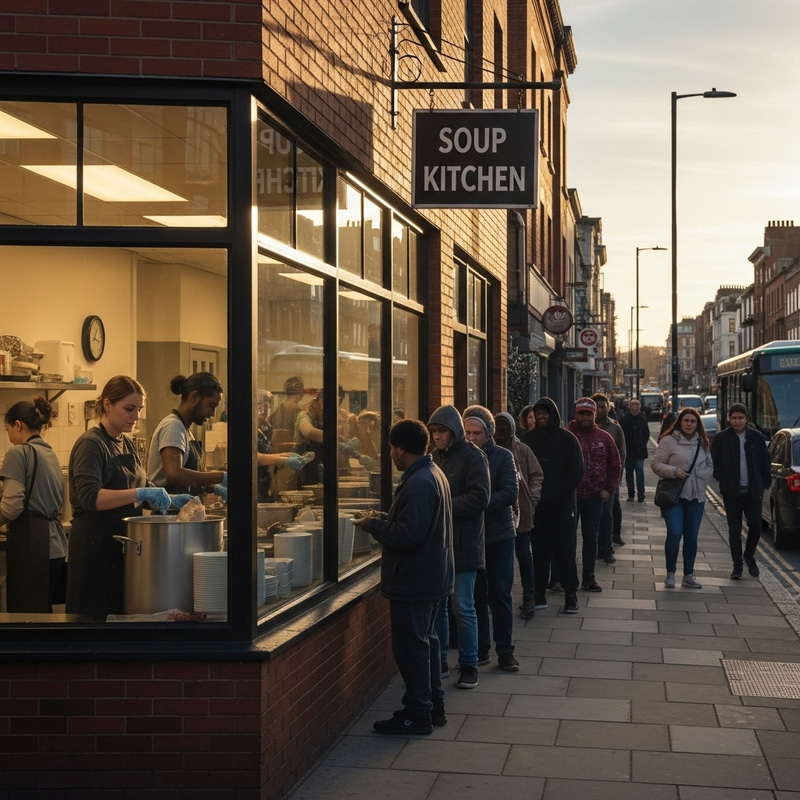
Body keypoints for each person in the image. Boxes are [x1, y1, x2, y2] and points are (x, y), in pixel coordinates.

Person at [353, 419, 454, 735]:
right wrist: (385, 518)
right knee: (426, 644)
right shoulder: (431, 472)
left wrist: (374, 526)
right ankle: (432, 707)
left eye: (391, 449)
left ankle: (418, 713)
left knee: (412, 649)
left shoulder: (420, 481)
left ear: (399, 449)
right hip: (429, 576)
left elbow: (409, 534)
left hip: (415, 579)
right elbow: (416, 523)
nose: (391, 456)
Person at [67, 376, 193, 617]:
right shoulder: (91, 444)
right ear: (107, 404)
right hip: (95, 549)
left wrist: (169, 499)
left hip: (123, 545)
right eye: (129, 409)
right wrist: (140, 493)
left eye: (139, 409)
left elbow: (144, 484)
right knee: (96, 619)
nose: (136, 416)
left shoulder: (127, 443)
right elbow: (90, 497)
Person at [427, 405, 490, 690]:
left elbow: (480, 498)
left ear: (453, 431)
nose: (437, 436)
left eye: (442, 431)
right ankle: (440, 660)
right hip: (439, 544)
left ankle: (468, 664)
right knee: (440, 607)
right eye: (433, 431)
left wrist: (444, 505)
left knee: (463, 607)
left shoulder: (474, 456)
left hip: (464, 544)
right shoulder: (434, 457)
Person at [463, 406, 520, 671]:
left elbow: (509, 492)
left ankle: (505, 651)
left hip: (499, 536)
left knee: (500, 594)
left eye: (477, 433)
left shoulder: (503, 456)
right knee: (476, 597)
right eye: (467, 432)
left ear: (489, 433)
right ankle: (481, 649)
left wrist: (478, 503)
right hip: (472, 537)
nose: (471, 438)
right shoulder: (462, 457)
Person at [0, 397, 67, 612]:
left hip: (33, 546)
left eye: (8, 430)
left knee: (27, 617)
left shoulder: (18, 452)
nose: (9, 436)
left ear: (18, 424)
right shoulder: (49, 453)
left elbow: (11, 507)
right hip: (55, 546)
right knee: (43, 616)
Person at [520, 397, 583, 613]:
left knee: (565, 552)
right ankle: (538, 593)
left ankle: (571, 594)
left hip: (562, 506)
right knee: (539, 552)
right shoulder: (527, 440)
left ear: (552, 414)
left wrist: (559, 495)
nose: (540, 417)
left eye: (544, 413)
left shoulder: (567, 439)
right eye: (537, 413)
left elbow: (575, 472)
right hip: (536, 507)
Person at [651, 407, 714, 589]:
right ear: (679, 422)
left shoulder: (703, 442)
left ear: (697, 424)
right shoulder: (668, 441)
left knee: (691, 537)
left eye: (693, 421)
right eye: (686, 420)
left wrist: (703, 473)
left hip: (696, 495)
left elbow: (710, 464)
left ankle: (688, 575)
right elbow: (656, 464)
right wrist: (673, 471)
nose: (689, 424)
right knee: (675, 532)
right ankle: (670, 573)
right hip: (674, 496)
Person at [566, 397, 622, 593]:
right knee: (567, 539)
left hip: (595, 496)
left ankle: (588, 577)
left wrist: (609, 489)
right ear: (576, 414)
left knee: (591, 538)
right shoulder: (567, 436)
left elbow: (615, 464)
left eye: (588, 414)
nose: (584, 418)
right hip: (570, 497)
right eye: (581, 414)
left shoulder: (604, 438)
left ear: (594, 415)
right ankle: (565, 578)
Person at [710, 402, 771, 579]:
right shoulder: (722, 438)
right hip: (732, 493)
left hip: (753, 491)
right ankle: (737, 566)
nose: (737, 421)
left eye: (740, 418)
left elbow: (765, 461)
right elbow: (714, 462)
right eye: (734, 418)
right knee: (734, 530)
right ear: (729, 419)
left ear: (747, 419)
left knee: (756, 526)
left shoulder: (757, 437)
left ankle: (749, 556)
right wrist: (723, 479)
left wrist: (764, 483)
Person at [494, 411, 543, 619]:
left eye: (504, 426)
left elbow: (536, 474)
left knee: (524, 555)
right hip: (496, 514)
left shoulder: (522, 449)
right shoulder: (487, 450)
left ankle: (529, 598)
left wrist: (532, 498)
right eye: (497, 426)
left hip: (521, 511)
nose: (501, 430)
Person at [146, 373, 227, 499]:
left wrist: (212, 487)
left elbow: (188, 481)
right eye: (211, 405)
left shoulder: (185, 430)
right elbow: (174, 474)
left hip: (183, 509)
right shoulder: (173, 426)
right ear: (194, 397)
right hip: (168, 509)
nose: (213, 414)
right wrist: (222, 476)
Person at [592, 392, 627, 561]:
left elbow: (621, 453)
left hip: (609, 478)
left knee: (607, 513)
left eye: (603, 407)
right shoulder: (584, 426)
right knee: (593, 515)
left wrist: (617, 476)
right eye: (597, 407)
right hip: (589, 479)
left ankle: (606, 549)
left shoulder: (615, 428)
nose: (600, 410)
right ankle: (594, 547)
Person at [256, 390, 305, 502]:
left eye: (267, 403)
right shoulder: (247, 428)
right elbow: (255, 457)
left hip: (265, 485)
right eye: (259, 404)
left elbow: (268, 455)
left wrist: (287, 455)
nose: (264, 407)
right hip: (254, 484)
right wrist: (284, 460)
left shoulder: (265, 429)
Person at [619, 398, 650, 502]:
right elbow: (621, 435)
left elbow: (646, 433)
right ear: (629, 406)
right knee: (629, 472)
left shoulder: (642, 419)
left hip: (639, 450)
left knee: (639, 470)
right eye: (633, 404)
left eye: (637, 404)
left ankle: (641, 493)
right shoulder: (624, 420)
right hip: (628, 450)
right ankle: (631, 494)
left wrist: (642, 443)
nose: (636, 406)